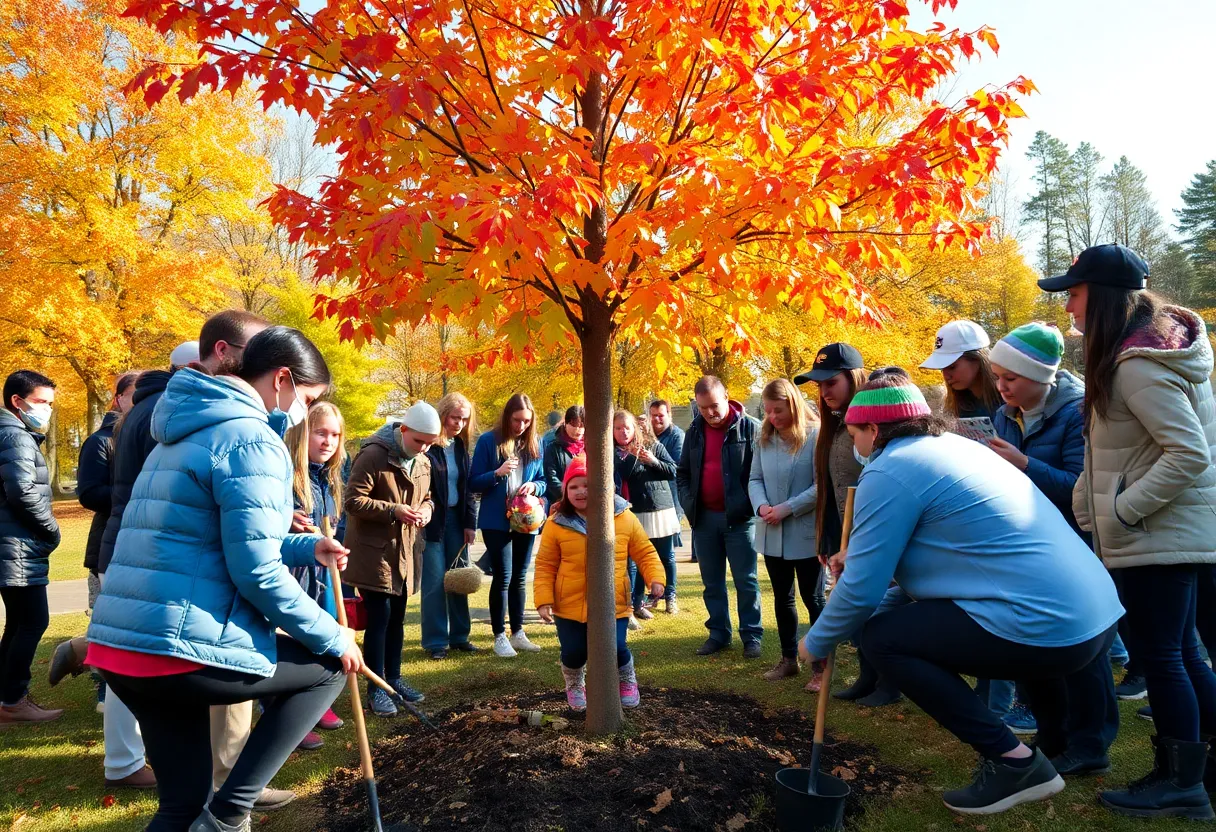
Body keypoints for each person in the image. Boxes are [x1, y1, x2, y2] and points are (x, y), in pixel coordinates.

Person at [801, 374, 1124, 815]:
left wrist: (815, 641)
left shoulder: (889, 468)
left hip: (1048, 624)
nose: (853, 442)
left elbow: (861, 593)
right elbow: (955, 541)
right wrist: (860, 556)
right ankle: (1052, 747)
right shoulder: (959, 448)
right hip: (1095, 616)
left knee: (882, 639)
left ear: (874, 430)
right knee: (1012, 631)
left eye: (854, 432)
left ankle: (1015, 763)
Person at [85, 326, 359, 832]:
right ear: (282, 380)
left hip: (125, 646)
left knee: (181, 806)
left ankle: (217, 812)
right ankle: (232, 812)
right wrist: (333, 633)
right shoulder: (253, 438)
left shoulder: (182, 426)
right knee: (327, 667)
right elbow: (255, 570)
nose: (303, 412)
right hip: (173, 650)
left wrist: (306, 545)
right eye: (308, 399)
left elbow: (214, 535)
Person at [1041, 244, 1216, 819]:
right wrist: (1090, 503)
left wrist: (1122, 510)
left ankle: (1181, 784)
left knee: (1161, 655)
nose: (1068, 305)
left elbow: (1187, 453)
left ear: (1105, 296)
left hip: (1158, 536)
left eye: (1074, 292)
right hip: (1168, 531)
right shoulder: (1140, 354)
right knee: (1182, 651)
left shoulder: (1137, 365)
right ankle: (1198, 770)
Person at [988, 322, 1119, 775]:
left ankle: (1090, 744)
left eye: (1011, 378)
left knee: (1083, 648)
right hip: (1026, 542)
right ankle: (1053, 733)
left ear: (1041, 377)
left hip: (1075, 542)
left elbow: (1080, 489)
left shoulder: (1077, 412)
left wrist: (1022, 463)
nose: (1001, 387)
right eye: (998, 377)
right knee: (1032, 640)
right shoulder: (1006, 414)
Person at [534, 456, 664, 711]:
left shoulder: (623, 517)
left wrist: (656, 579)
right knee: (574, 652)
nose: (581, 491)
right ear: (565, 491)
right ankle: (574, 683)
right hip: (569, 603)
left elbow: (645, 551)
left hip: (613, 600)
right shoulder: (556, 522)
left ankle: (626, 678)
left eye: (587, 485)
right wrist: (543, 600)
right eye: (573, 487)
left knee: (615, 647)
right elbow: (545, 564)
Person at [51, 372, 139, 713]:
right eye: (135, 394)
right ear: (117, 398)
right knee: (108, 621)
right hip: (109, 543)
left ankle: (76, 649)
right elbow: (89, 493)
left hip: (141, 543)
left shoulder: (151, 437)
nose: (142, 401)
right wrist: (139, 497)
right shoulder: (101, 441)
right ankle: (104, 691)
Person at [343, 403, 438, 716]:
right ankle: (377, 689)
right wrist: (393, 510)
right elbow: (353, 501)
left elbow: (427, 498)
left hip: (405, 553)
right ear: (404, 430)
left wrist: (426, 511)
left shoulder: (422, 460)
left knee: (397, 618)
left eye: (429, 443)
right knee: (379, 620)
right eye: (419, 441)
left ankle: (394, 679)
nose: (423, 448)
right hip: (374, 555)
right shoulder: (373, 454)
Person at [676, 376, 763, 658]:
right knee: (711, 582)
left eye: (714, 406)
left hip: (739, 520)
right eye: (703, 408)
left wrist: (747, 506)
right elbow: (683, 473)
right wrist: (689, 504)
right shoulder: (694, 431)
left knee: (746, 581)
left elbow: (758, 475)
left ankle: (751, 636)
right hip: (704, 520)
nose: (710, 413)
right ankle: (718, 634)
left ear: (727, 396)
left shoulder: (751, 429)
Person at [748, 379, 825, 691]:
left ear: (792, 405)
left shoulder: (817, 436)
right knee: (783, 597)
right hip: (771, 531)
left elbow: (822, 486)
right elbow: (754, 478)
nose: (773, 417)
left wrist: (787, 508)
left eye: (778, 410)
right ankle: (788, 659)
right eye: (767, 411)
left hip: (804, 532)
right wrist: (762, 506)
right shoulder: (763, 437)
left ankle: (821, 667)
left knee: (813, 598)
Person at [283, 400, 349, 745]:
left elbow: (335, 528)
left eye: (335, 435)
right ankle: (286, 709)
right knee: (293, 639)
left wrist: (338, 554)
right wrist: (286, 517)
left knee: (326, 631)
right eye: (320, 433)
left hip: (322, 575)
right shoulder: (287, 475)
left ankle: (316, 701)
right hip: (291, 573)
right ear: (303, 434)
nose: (328, 441)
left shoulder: (331, 479)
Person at [0, 370, 62, 726]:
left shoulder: (10, 432)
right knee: (32, 621)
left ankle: (8, 696)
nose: (47, 411)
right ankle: (13, 700)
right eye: (41, 402)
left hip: (12, 544)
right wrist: (51, 531)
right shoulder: (15, 435)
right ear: (17, 401)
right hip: (17, 546)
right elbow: (22, 492)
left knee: (18, 622)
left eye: (50, 404)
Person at [469, 393, 547, 658]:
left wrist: (535, 486)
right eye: (517, 420)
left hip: (526, 519)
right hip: (496, 519)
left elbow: (544, 479)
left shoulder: (535, 443)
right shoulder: (488, 441)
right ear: (507, 417)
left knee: (520, 576)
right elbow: (473, 481)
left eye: (526, 421)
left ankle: (518, 632)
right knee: (503, 575)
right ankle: (499, 636)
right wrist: (497, 473)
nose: (521, 426)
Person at [420, 392, 479, 660]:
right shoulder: (428, 446)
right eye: (455, 417)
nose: (459, 423)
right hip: (432, 521)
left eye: (464, 419)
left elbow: (466, 488)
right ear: (443, 415)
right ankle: (435, 642)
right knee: (434, 581)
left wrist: (470, 524)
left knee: (459, 579)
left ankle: (459, 636)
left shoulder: (459, 446)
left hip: (458, 520)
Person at [612, 409, 679, 622]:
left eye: (627, 428)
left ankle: (670, 596)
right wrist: (633, 456)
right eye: (618, 428)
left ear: (636, 429)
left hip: (661, 508)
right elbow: (622, 474)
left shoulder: (653, 446)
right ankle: (636, 602)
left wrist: (652, 460)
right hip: (635, 510)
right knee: (635, 560)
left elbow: (673, 471)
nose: (623, 432)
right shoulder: (613, 452)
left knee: (666, 556)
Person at [920, 319, 1003, 420]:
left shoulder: (1012, 400)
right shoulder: (955, 407)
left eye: (952, 367)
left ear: (977, 359)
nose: (946, 376)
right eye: (942, 369)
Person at [648, 399, 687, 559]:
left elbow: (676, 468)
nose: (657, 419)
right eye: (653, 415)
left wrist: (653, 461)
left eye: (661, 415)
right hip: (651, 498)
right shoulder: (645, 436)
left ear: (669, 415)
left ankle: (669, 584)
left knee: (667, 549)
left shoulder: (677, 436)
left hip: (672, 497)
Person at [543, 405, 585, 499]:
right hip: (562, 500)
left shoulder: (589, 446)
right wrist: (569, 495)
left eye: (582, 425)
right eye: (574, 424)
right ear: (565, 423)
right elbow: (551, 478)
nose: (578, 429)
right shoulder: (553, 448)